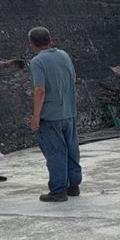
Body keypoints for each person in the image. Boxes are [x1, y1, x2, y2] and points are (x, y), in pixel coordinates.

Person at [28, 27, 82, 202]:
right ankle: (74, 185)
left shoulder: (37, 62)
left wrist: (36, 116)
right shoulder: (64, 55)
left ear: (32, 43)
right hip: (69, 112)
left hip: (50, 115)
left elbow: (40, 90)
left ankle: (59, 190)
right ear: (50, 39)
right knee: (72, 149)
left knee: (55, 151)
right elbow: (73, 78)